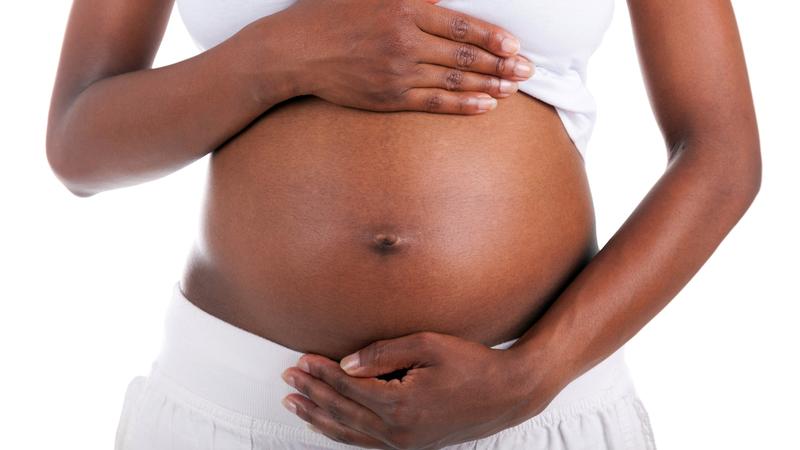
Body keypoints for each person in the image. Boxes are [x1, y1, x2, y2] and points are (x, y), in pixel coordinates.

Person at [46, 0, 760, 448]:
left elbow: (722, 155)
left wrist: (531, 376)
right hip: (240, 407)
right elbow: (81, 145)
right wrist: (274, 59)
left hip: (535, 409)